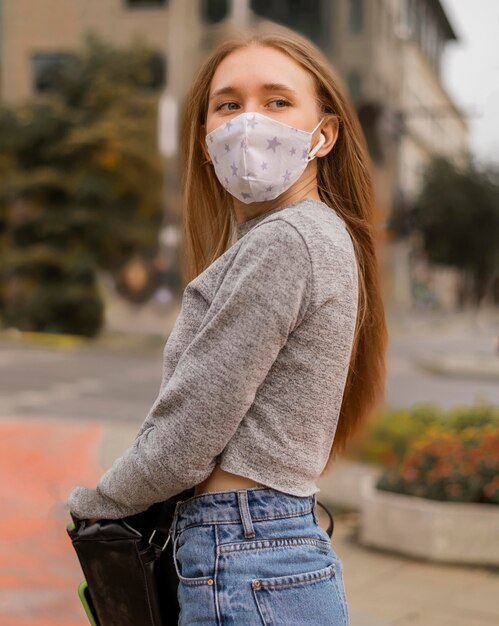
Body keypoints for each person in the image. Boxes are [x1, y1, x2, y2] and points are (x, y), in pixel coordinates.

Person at [66, 23, 387, 626]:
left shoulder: (288, 238)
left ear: (324, 134)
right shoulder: (300, 236)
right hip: (267, 557)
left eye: (277, 101)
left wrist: (94, 504)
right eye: (228, 105)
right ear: (206, 134)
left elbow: (189, 433)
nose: (248, 122)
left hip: (246, 559)